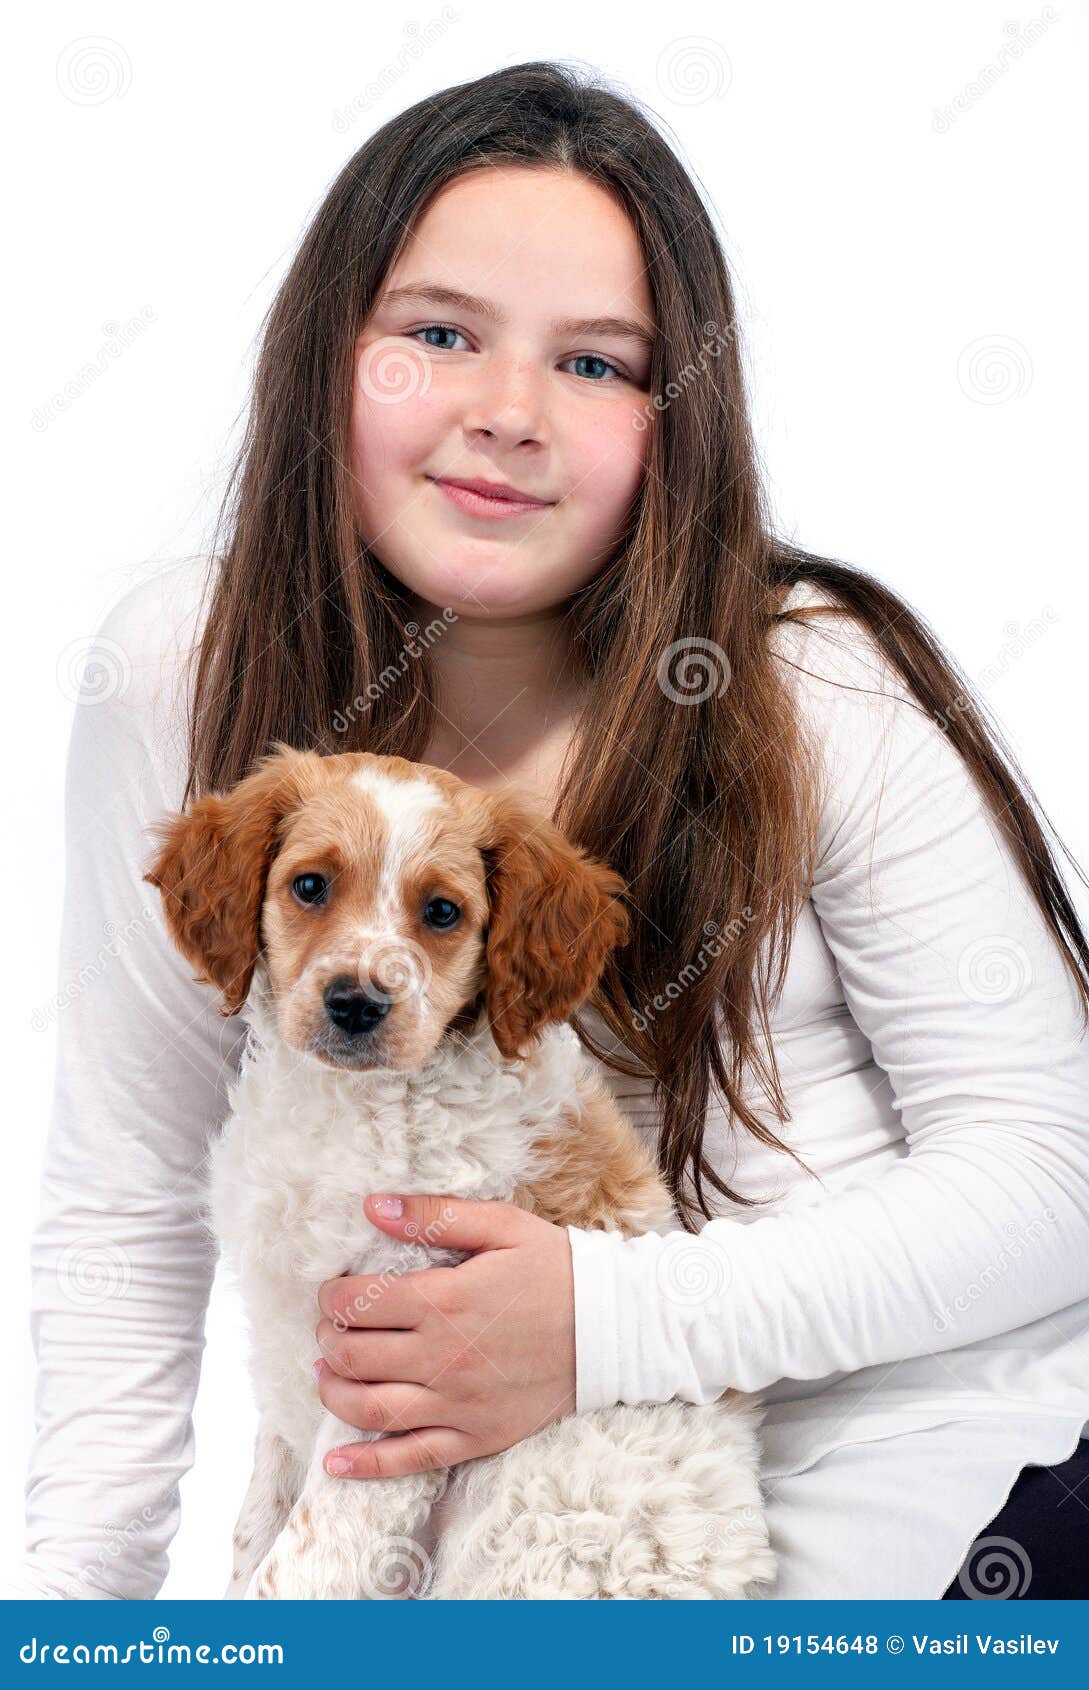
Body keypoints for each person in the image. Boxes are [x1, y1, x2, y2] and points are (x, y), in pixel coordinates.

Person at [15, 61, 1089, 1602]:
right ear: (328, 356)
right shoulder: (181, 668)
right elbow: (123, 1194)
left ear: (677, 413)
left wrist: (600, 1318)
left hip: (933, 1464)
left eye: (595, 364)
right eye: (440, 334)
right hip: (476, 1532)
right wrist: (73, 1611)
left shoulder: (808, 680)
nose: (507, 414)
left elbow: (1053, 1179)